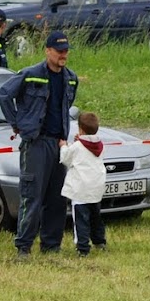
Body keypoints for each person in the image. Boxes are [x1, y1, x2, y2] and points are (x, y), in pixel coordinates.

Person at [0, 30, 78, 260]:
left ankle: (51, 246)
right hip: (35, 144)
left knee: (57, 198)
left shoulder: (71, 77)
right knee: (32, 196)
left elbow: (67, 103)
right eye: (59, 51)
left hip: (58, 146)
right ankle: (24, 247)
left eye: (66, 51)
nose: (63, 55)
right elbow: (3, 94)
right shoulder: (31, 75)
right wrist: (17, 123)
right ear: (48, 51)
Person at [60, 110, 107, 256]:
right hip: (96, 188)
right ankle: (100, 241)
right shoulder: (99, 145)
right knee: (95, 218)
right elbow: (86, 148)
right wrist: (79, 140)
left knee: (81, 221)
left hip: (80, 191)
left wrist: (63, 145)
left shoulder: (77, 146)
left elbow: (66, 159)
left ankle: (83, 248)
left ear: (80, 129)